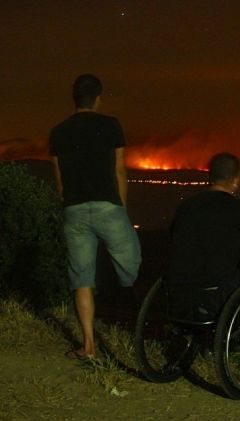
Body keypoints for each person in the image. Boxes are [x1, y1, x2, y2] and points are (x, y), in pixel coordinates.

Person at [49, 74, 142, 360]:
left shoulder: (58, 132)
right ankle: (142, 326)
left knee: (82, 279)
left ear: (74, 99)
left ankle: (88, 346)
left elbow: (60, 180)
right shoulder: (110, 125)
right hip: (107, 206)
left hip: (74, 210)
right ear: (98, 98)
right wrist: (122, 210)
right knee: (133, 266)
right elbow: (119, 171)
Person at [166, 152, 240, 320]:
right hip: (216, 292)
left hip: (177, 289)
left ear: (210, 177)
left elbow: (176, 243)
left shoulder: (186, 207)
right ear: (236, 179)